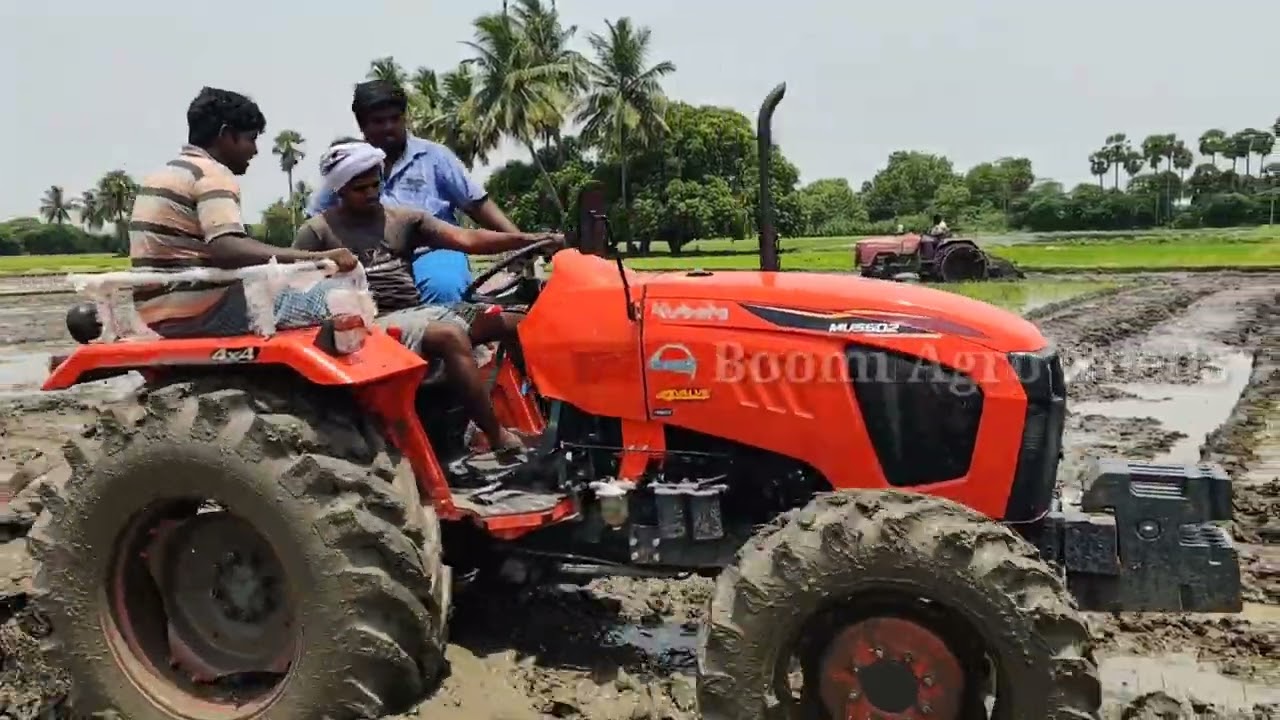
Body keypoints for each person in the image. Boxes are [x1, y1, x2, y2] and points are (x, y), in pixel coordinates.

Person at [295, 140, 562, 457]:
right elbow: (296, 286)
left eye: (375, 184)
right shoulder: (318, 231)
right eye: (360, 188)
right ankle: (497, 436)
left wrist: (529, 239)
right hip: (370, 325)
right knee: (449, 335)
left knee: (522, 322)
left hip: (417, 312)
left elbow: (467, 238)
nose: (371, 193)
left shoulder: (403, 219)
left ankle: (557, 422)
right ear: (339, 189)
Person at [129, 87, 357, 338]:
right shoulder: (212, 174)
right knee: (341, 296)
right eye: (251, 138)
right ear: (226, 135)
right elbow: (228, 249)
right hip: (204, 312)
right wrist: (316, 258)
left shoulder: (161, 175)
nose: (255, 150)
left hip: (155, 315)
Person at [306, 79, 523, 306]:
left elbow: (477, 204)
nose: (389, 127)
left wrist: (521, 244)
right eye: (379, 121)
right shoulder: (347, 167)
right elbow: (315, 221)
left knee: (443, 287)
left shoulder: (435, 157)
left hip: (433, 252)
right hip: (371, 262)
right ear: (362, 126)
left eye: (395, 118)